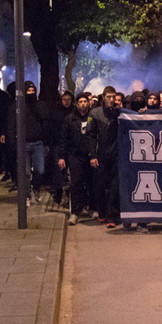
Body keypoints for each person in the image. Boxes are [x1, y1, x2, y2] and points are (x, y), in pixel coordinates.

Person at [58, 93, 98, 225]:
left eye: (85, 101)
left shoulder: (92, 118)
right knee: (76, 183)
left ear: (88, 103)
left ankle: (91, 208)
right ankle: (75, 212)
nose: (83, 104)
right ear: (76, 104)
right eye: (80, 102)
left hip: (89, 156)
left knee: (91, 183)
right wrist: (62, 157)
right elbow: (63, 139)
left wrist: (94, 155)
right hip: (75, 155)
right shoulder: (69, 119)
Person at [90, 86, 122, 228]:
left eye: (113, 97)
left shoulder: (119, 113)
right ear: (103, 97)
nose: (111, 100)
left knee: (114, 187)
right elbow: (90, 136)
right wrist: (92, 155)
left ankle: (112, 216)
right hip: (101, 155)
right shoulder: (95, 113)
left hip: (116, 156)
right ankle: (102, 212)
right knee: (101, 187)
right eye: (108, 97)